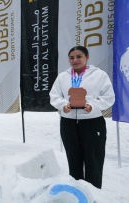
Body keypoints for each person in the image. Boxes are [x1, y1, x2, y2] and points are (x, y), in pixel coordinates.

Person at [49, 45, 115, 189]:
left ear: (87, 57)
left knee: (94, 161)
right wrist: (63, 105)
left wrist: (93, 106)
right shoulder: (63, 76)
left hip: (92, 122)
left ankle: (94, 193)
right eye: (72, 58)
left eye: (79, 56)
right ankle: (76, 193)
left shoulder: (99, 75)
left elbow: (109, 97)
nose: (75, 60)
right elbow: (54, 96)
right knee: (73, 161)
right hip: (69, 123)